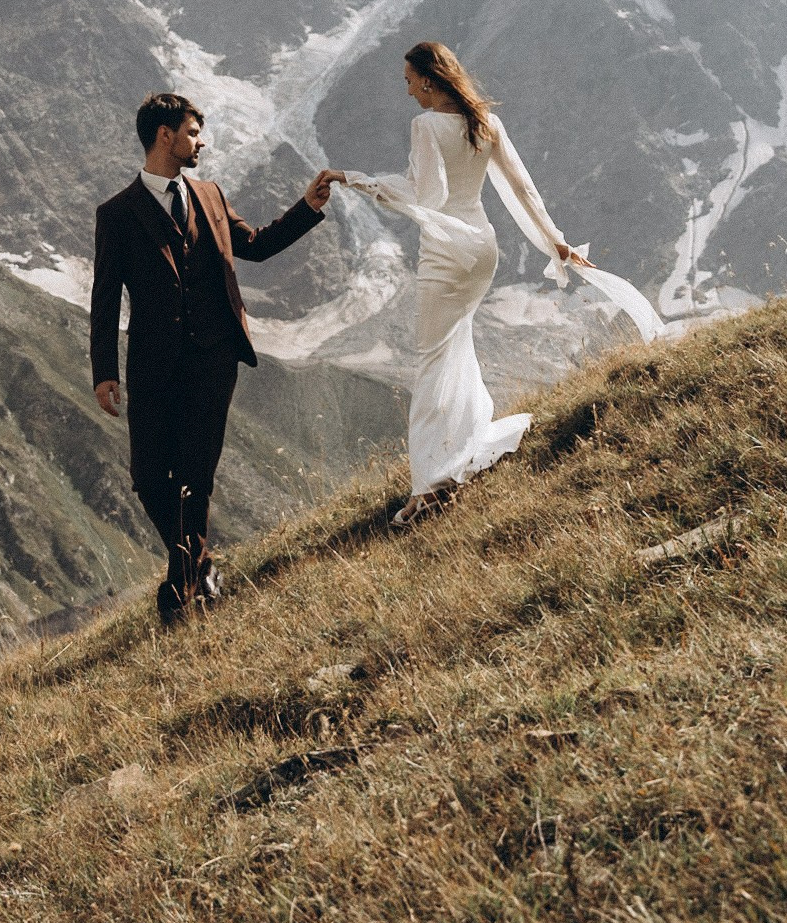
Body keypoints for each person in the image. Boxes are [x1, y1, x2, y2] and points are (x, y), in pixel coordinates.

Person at [345, 41, 660, 527]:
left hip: (448, 251)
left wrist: (360, 181)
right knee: (455, 347)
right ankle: (457, 453)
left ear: (428, 79)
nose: (408, 92)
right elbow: (521, 186)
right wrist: (555, 241)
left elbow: (429, 195)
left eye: (409, 81)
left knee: (432, 361)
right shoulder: (485, 121)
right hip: (483, 251)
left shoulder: (426, 126)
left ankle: (429, 486)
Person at [90, 92, 342, 622]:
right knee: (146, 475)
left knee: (195, 475)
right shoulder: (116, 214)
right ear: (165, 135)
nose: (201, 142)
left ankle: (180, 592)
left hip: (213, 359)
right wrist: (104, 372)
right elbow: (105, 295)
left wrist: (307, 207)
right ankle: (198, 565)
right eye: (194, 132)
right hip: (153, 365)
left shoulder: (209, 194)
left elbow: (255, 244)